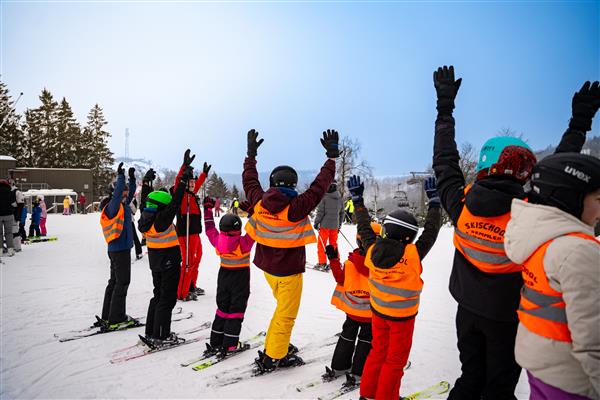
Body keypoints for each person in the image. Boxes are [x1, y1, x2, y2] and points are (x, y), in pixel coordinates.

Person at [432, 66, 592, 400]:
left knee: (470, 376)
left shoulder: (460, 202)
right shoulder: (530, 211)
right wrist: (579, 124)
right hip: (506, 319)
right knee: (499, 386)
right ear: (522, 171)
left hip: (467, 312)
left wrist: (444, 109)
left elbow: (445, 162)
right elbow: (562, 169)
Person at [504, 153, 600, 400]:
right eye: (598, 199)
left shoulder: (537, 238)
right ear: (569, 198)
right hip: (574, 378)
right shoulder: (578, 251)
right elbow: (593, 339)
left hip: (541, 362)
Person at [243, 128, 339, 373]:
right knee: (286, 315)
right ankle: (274, 356)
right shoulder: (297, 207)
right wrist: (331, 158)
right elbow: (319, 187)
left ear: (273, 182)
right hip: (289, 274)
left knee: (281, 311)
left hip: (268, 270)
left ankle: (279, 342)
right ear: (294, 184)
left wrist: (250, 155)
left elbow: (249, 180)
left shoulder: (259, 201)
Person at [348, 175, 441, 400]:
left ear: (385, 230)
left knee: (377, 352)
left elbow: (364, 227)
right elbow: (431, 233)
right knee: (395, 361)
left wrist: (358, 199)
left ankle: (368, 394)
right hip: (402, 319)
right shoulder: (413, 254)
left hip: (378, 313)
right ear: (410, 237)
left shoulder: (372, 250)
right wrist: (435, 203)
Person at [320, 222, 382, 388]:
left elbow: (339, 278)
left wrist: (333, 259)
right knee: (366, 341)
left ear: (358, 241)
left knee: (347, 336)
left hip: (352, 311)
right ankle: (359, 372)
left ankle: (339, 366)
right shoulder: (381, 267)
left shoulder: (349, 264)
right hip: (371, 314)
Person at [138, 166, 192, 346]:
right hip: (169, 260)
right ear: (163, 206)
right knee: (167, 298)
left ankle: (152, 329)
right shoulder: (162, 220)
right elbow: (176, 202)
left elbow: (144, 201)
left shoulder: (146, 216)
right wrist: (183, 182)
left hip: (155, 260)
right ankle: (161, 335)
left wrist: (146, 183)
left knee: (157, 295)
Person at [202, 196, 255, 357]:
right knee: (236, 310)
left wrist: (207, 210)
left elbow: (210, 229)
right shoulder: (243, 243)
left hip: (224, 275)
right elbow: (255, 229)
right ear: (238, 228)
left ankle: (216, 341)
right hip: (240, 277)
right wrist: (253, 214)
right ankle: (230, 344)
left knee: (222, 308)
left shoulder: (218, 241)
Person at [97, 163, 137, 330]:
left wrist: (132, 179)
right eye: (123, 191)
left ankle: (108, 315)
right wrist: (121, 177)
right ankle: (116, 317)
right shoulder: (113, 206)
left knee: (114, 282)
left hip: (118, 249)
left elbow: (131, 193)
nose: (126, 193)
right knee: (122, 282)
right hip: (120, 250)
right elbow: (119, 193)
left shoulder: (122, 205)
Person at [173, 150, 210, 301]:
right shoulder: (181, 195)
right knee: (187, 262)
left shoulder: (192, 194)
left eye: (194, 182)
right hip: (185, 233)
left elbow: (198, 183)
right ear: (185, 183)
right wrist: (184, 167)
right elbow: (177, 183)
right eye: (191, 182)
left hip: (195, 233)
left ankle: (191, 285)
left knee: (197, 258)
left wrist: (204, 175)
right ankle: (182, 291)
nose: (194, 184)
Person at [313, 179, 344, 271]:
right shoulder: (340, 199)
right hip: (335, 226)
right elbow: (342, 213)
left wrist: (316, 222)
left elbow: (320, 212)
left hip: (325, 226)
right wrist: (339, 225)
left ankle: (322, 263)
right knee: (333, 244)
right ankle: (336, 262)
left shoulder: (324, 198)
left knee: (322, 244)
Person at [0, 179, 15, 256]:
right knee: (9, 233)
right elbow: (14, 204)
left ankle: (0, 251)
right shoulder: (10, 192)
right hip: (8, 215)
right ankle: (10, 250)